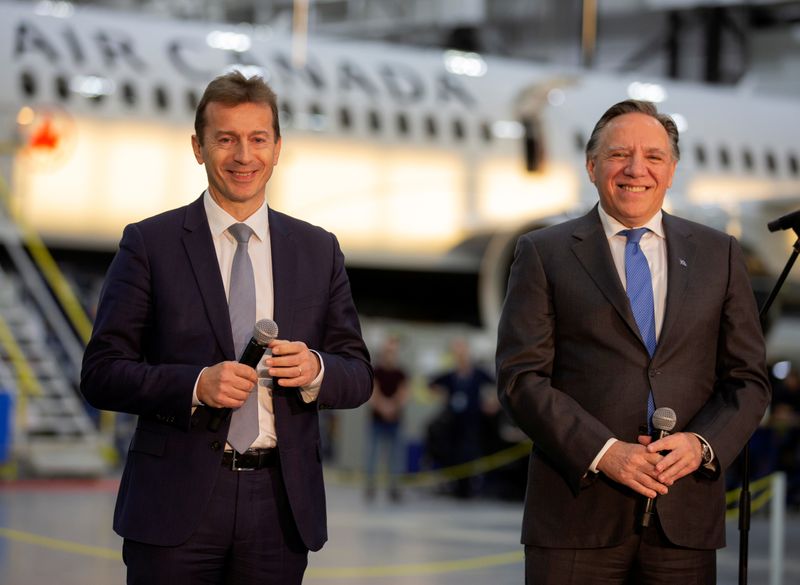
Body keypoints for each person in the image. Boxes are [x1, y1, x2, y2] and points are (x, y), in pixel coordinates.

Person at [80, 71, 373, 585]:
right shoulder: (151, 244)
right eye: (226, 139)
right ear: (198, 147)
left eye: (258, 139)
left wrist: (315, 370)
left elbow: (358, 374)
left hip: (279, 507)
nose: (244, 155)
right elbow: (102, 373)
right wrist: (194, 385)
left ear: (278, 148)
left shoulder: (318, 250)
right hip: (175, 502)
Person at [495, 99, 770, 584]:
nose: (636, 169)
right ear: (592, 165)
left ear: (672, 171)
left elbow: (748, 381)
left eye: (654, 157)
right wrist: (605, 452)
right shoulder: (543, 252)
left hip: (682, 519)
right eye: (620, 154)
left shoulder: (720, 255)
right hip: (575, 517)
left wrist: (702, 444)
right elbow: (521, 381)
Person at [428, 337, 494, 498]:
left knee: (471, 453)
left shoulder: (478, 374)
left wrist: (491, 403)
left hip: (473, 421)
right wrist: (442, 395)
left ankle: (470, 487)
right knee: (454, 453)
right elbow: (431, 384)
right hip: (454, 423)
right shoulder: (451, 375)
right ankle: (456, 486)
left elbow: (496, 385)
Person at [364, 335, 409, 502]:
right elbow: (373, 393)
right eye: (388, 351)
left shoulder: (401, 373)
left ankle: (394, 488)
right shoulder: (375, 371)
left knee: (396, 456)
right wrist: (384, 407)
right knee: (372, 455)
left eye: (393, 351)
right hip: (376, 420)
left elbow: (404, 394)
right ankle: (370, 487)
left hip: (395, 421)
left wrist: (393, 407)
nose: (391, 354)